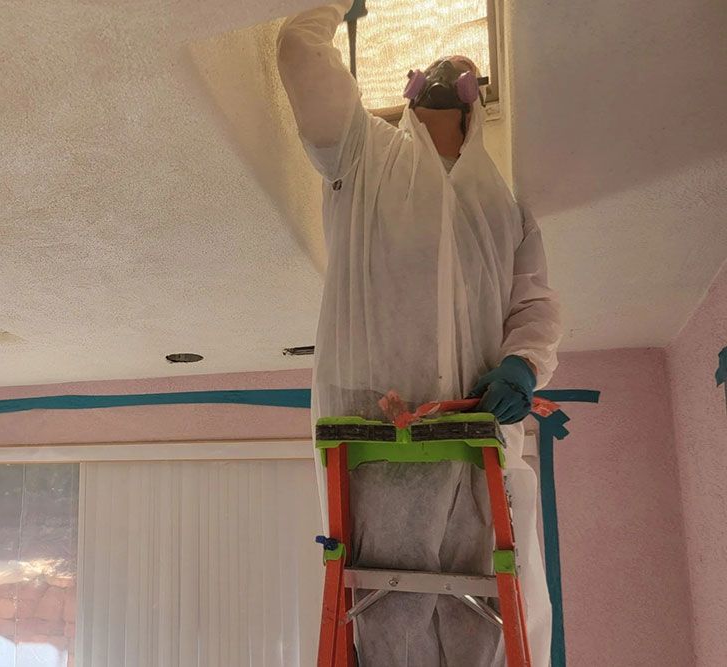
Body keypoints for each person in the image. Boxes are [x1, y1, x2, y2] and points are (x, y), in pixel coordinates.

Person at [277, 3, 562, 665]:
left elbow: (534, 305)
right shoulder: (363, 155)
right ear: (406, 92)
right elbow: (297, 52)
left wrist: (523, 364)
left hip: (474, 436)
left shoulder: (505, 209)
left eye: (458, 66)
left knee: (482, 626)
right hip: (375, 435)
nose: (443, 67)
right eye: (432, 65)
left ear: (474, 100)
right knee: (386, 618)